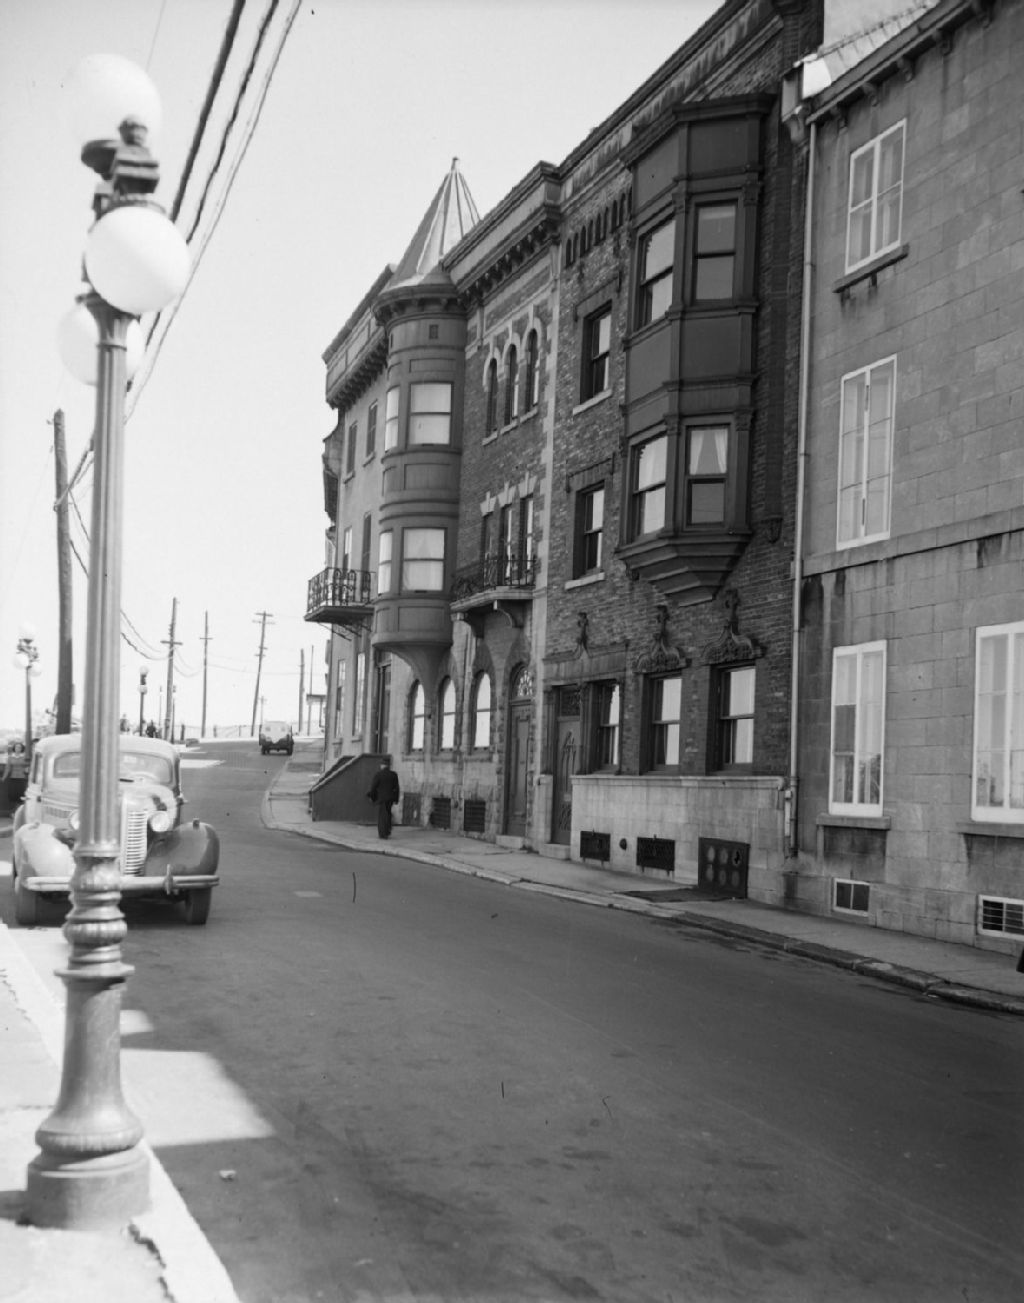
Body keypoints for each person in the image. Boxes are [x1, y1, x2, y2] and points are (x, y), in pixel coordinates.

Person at [367, 758, 400, 840]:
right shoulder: (394, 774)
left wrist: (372, 797)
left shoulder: (379, 774)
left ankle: (383, 833)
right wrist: (396, 799)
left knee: (382, 816)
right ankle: (387, 830)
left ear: (382, 765)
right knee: (388, 813)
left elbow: (373, 787)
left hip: (382, 798)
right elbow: (396, 788)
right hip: (390, 798)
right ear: (388, 765)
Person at [2, 739, 29, 812]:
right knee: (13, 795)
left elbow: (28, 766)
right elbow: (7, 768)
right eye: (17, 747)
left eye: (19, 747)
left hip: (22, 778)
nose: (18, 748)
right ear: (14, 748)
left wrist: (26, 768)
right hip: (13, 778)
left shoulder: (24, 757)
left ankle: (18, 812)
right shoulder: (10, 757)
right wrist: (3, 778)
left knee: (21, 795)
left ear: (22, 748)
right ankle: (14, 811)